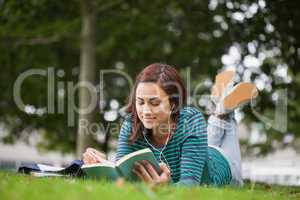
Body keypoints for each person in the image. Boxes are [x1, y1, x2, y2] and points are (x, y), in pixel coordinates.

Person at [82, 63, 258, 187]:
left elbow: (190, 186)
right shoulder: (132, 123)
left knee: (227, 122)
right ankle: (221, 106)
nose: (145, 111)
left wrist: (165, 188)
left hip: (221, 165)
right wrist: (104, 165)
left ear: (173, 104)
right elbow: (123, 178)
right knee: (199, 134)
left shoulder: (191, 119)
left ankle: (225, 111)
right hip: (199, 150)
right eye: (140, 102)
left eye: (154, 103)